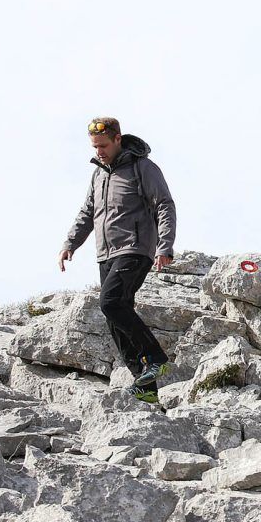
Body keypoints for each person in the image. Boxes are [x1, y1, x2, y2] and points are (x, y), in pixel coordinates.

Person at [59, 118, 177, 404]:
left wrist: (165, 245)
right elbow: (88, 212)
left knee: (110, 302)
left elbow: (164, 204)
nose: (98, 151)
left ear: (118, 139)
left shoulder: (143, 167)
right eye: (94, 147)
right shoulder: (98, 174)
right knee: (114, 317)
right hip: (106, 253)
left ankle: (157, 359)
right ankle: (145, 385)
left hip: (135, 248)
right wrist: (70, 243)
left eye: (103, 145)